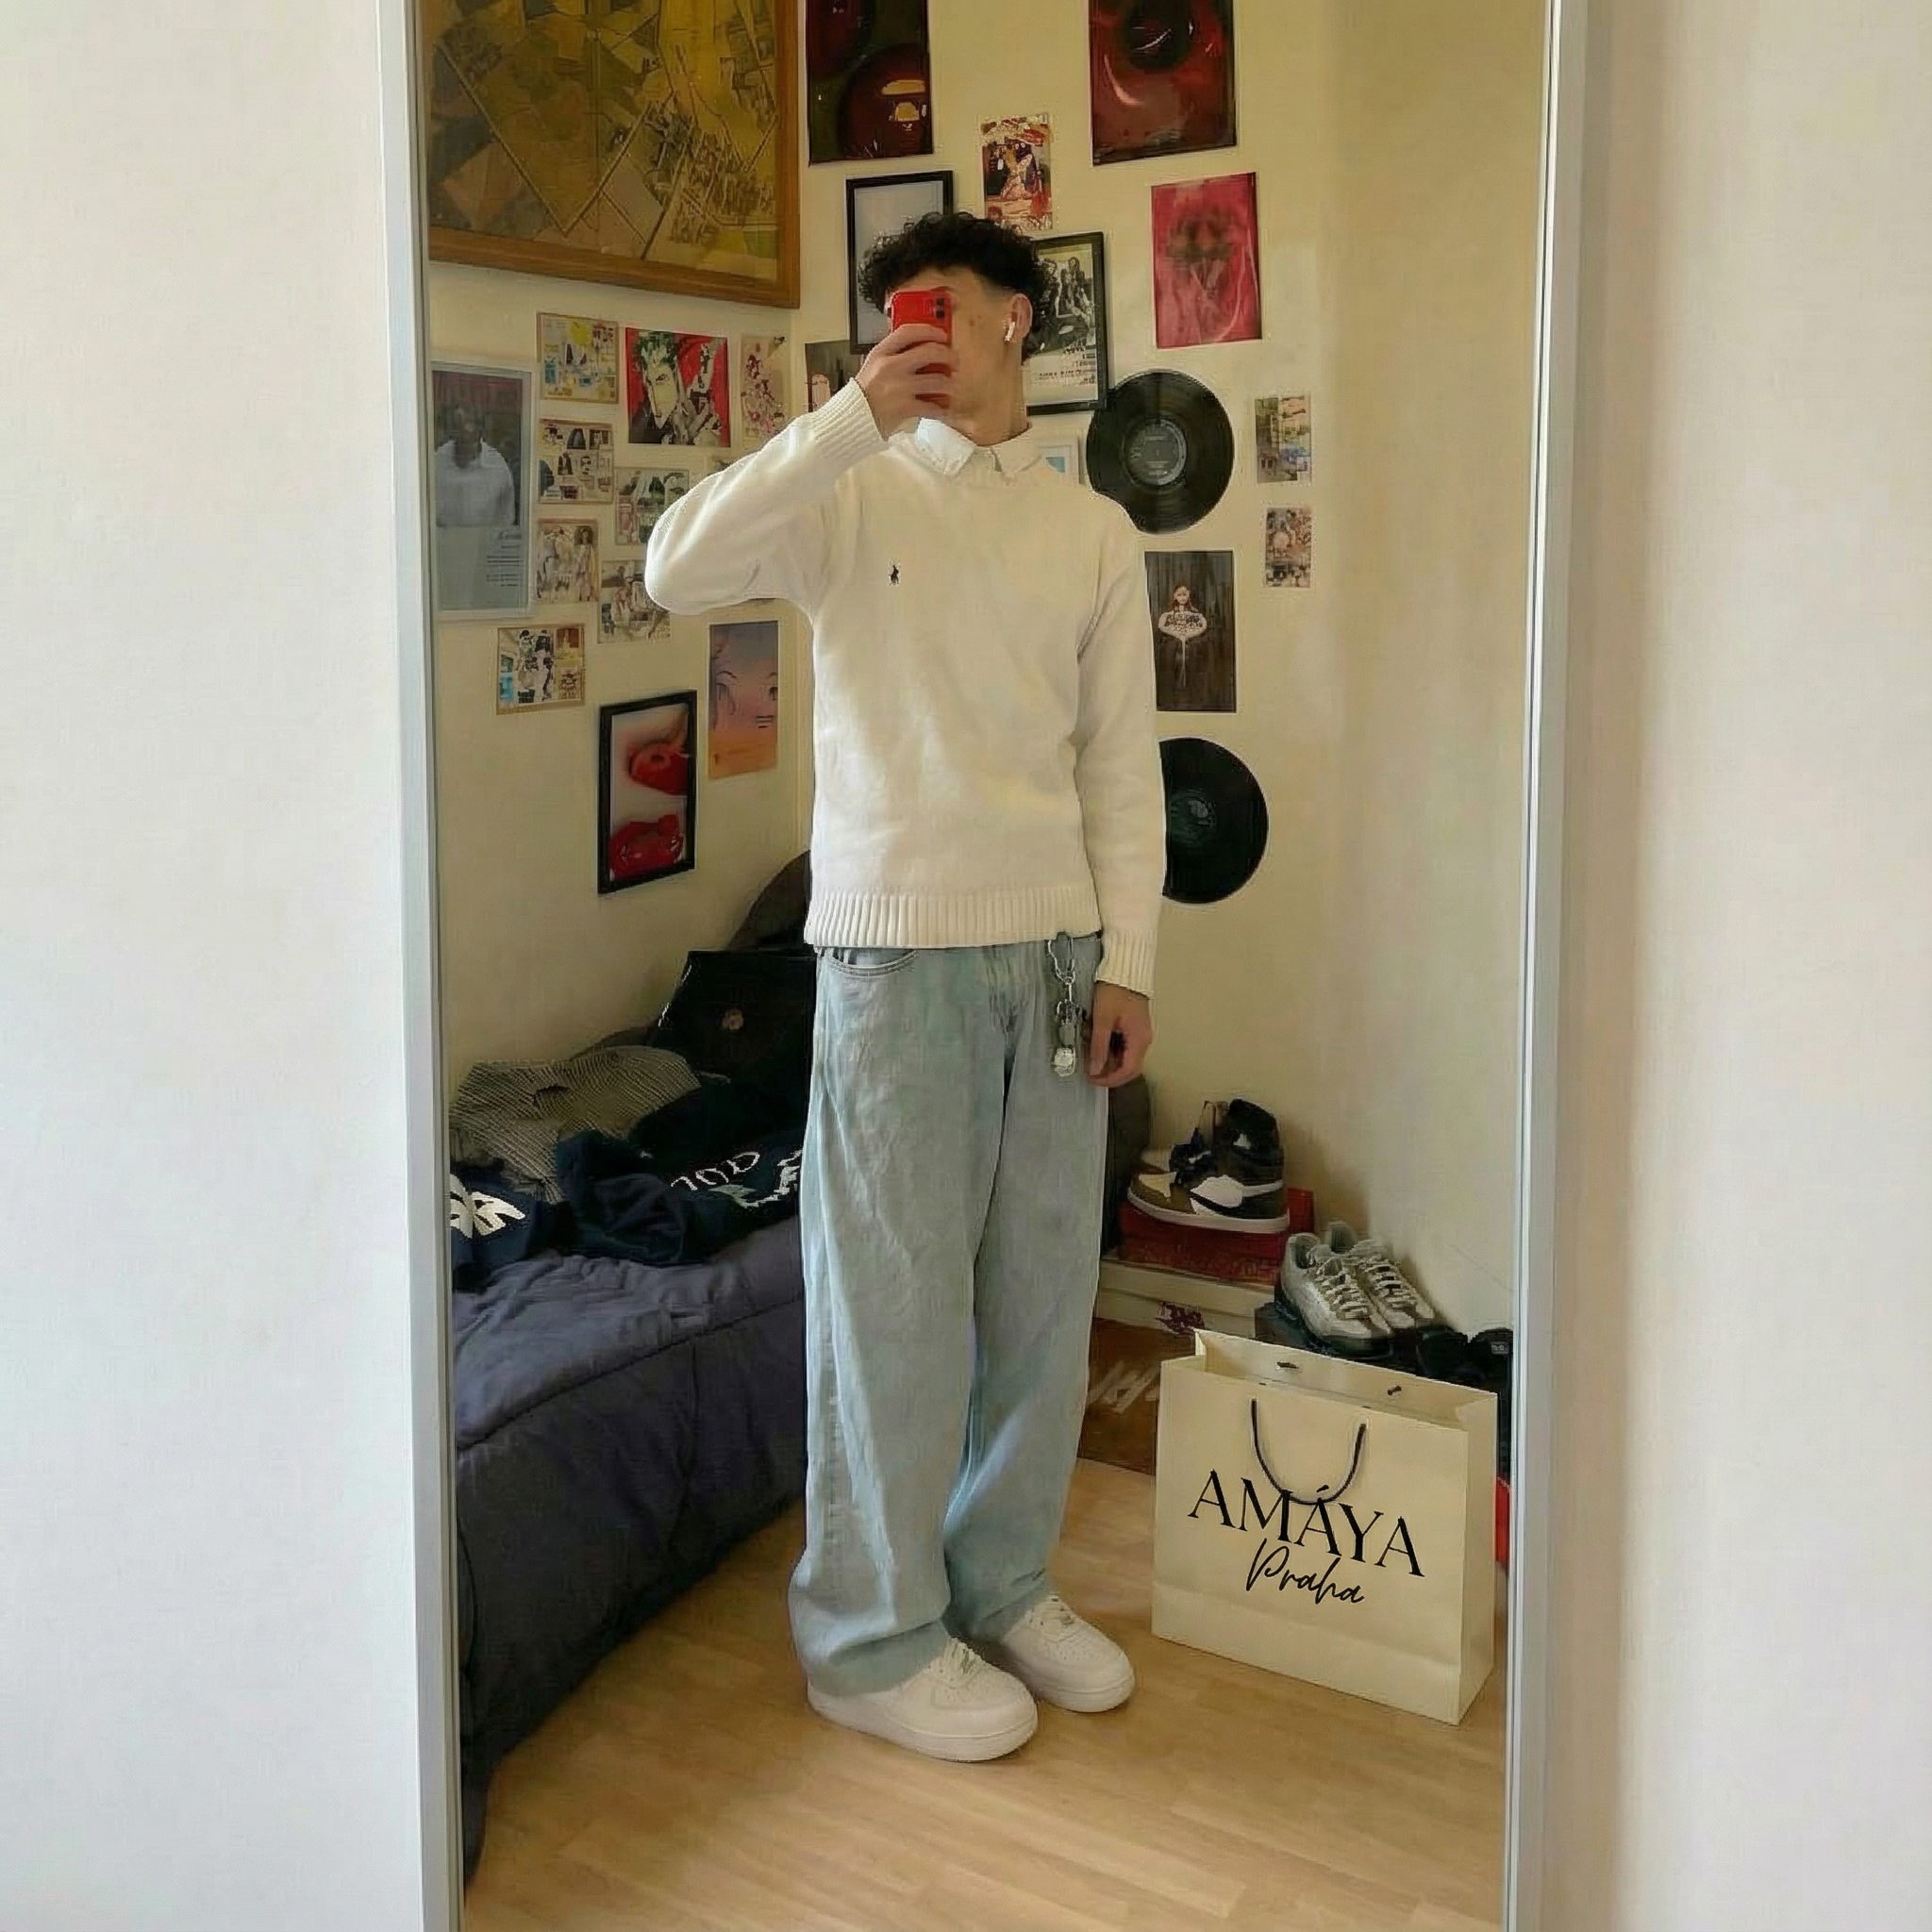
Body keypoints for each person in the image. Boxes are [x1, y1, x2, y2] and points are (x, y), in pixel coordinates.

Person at [647, 212, 1164, 1765]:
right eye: (892, 318)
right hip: (887, 955)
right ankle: (867, 1636)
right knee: (888, 1308)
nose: (913, 334)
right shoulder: (846, 487)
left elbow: (1120, 772)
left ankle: (1000, 1583)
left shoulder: (1091, 531)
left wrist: (1129, 960)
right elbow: (675, 566)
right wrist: (843, 418)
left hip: (1053, 954)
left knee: (1039, 1301)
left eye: (941, 308)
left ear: (1016, 321)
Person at [434, 403, 515, 527]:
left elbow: (506, 516)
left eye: (468, 435)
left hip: (485, 537)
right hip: (442, 536)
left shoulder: (497, 467)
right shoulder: (438, 461)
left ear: (479, 433)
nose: (464, 441)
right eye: (459, 432)